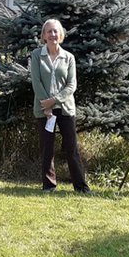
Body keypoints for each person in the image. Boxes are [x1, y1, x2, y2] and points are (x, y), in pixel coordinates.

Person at [29, 19, 89, 193]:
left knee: (71, 148)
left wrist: (53, 101)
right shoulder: (36, 55)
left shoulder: (68, 57)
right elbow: (36, 82)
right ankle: (49, 185)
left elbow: (71, 85)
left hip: (65, 108)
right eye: (49, 31)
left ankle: (81, 186)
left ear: (60, 34)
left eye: (55, 31)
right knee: (47, 148)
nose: (52, 34)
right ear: (44, 35)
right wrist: (45, 106)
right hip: (43, 109)